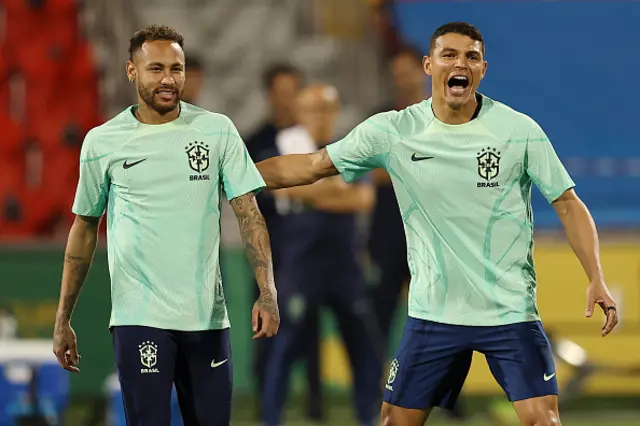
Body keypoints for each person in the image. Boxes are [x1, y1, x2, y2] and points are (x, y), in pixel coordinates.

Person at [255, 22, 619, 426]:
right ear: (430, 65)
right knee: (395, 421)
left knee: (543, 420)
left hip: (508, 312)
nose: (460, 63)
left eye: (471, 57)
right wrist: (240, 173)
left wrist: (596, 277)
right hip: (434, 314)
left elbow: (568, 203)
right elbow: (312, 165)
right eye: (449, 55)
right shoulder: (393, 131)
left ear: (483, 69)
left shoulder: (518, 132)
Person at [52, 24, 280, 426]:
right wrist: (62, 318)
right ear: (131, 70)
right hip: (139, 319)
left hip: (208, 320)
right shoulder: (103, 142)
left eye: (177, 68)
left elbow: (249, 215)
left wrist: (268, 292)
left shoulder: (217, 130)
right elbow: (84, 229)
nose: (169, 79)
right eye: (156, 69)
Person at [262, 84, 383, 426]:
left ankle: (368, 416)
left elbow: (363, 200)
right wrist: (330, 188)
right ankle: (271, 418)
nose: (321, 115)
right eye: (313, 108)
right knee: (285, 347)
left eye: (327, 108)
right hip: (301, 266)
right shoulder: (285, 147)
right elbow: (285, 188)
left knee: (363, 348)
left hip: (346, 266)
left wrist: (311, 191)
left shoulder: (351, 148)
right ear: (300, 113)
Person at [244, 64, 325, 422]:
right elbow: (246, 199)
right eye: (281, 90)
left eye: (294, 90)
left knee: (311, 329)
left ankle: (315, 402)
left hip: (310, 252)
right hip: (270, 253)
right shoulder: (255, 141)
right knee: (267, 326)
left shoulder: (313, 140)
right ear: (269, 94)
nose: (288, 98)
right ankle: (267, 402)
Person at [368, 44, 429, 351]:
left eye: (408, 72)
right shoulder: (381, 119)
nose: (403, 80)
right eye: (397, 75)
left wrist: (396, 162)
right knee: (379, 320)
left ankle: (450, 399)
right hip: (388, 237)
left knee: (441, 322)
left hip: (433, 237)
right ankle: (372, 396)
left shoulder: (443, 118)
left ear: (424, 70)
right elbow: (372, 171)